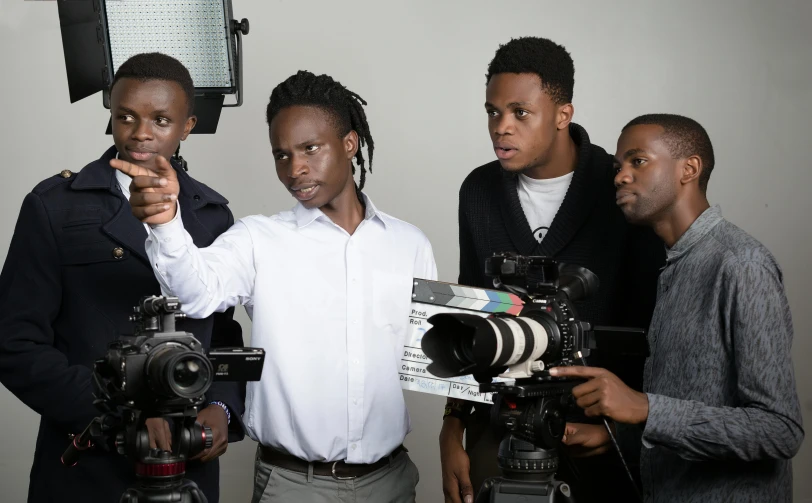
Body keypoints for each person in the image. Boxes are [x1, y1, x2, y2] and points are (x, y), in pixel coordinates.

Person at [115, 70, 437, 503]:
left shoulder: (409, 244)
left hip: (392, 481)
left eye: (310, 148)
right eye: (281, 155)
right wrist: (166, 224)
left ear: (349, 143)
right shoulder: (257, 239)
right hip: (292, 486)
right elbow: (196, 294)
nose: (295, 168)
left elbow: (434, 359)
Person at [0, 52, 244, 503]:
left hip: (186, 466)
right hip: (86, 467)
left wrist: (223, 407)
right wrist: (113, 414)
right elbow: (13, 342)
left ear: (187, 126)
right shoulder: (55, 206)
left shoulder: (213, 217)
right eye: (125, 116)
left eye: (161, 120)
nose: (141, 133)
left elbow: (223, 333)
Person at [439, 36, 665, 503]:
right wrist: (451, 428)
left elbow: (654, 326)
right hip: (503, 424)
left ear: (564, 114)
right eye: (493, 111)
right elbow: (471, 308)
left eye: (521, 112)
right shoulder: (479, 190)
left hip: (600, 430)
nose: (501, 127)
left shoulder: (619, 186)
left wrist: (623, 434)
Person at [556, 113, 805, 502]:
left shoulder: (740, 264)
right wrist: (617, 437)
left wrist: (644, 408)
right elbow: (694, 412)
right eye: (619, 166)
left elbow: (779, 429)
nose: (620, 176)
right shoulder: (671, 266)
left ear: (689, 169)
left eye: (638, 161)